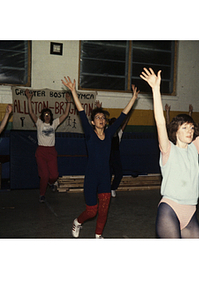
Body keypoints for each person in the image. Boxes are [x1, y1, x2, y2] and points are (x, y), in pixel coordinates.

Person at [140, 67, 199, 238]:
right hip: (170, 209)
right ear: (175, 132)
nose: (190, 131)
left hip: (190, 212)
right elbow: (160, 122)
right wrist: (155, 89)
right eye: (185, 127)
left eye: (191, 127)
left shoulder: (195, 148)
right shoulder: (168, 149)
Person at [61, 76, 139, 239]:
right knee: (92, 211)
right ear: (92, 121)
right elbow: (81, 111)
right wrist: (73, 91)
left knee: (103, 211)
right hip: (91, 177)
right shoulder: (89, 134)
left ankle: (98, 236)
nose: (101, 120)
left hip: (104, 177)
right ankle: (77, 222)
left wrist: (133, 98)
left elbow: (123, 116)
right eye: (98, 117)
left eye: (103, 118)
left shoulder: (110, 133)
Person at [25, 89, 71, 202]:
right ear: (42, 116)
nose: (47, 116)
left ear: (51, 116)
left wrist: (68, 102)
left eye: (49, 115)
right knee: (44, 175)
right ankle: (42, 194)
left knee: (54, 175)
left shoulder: (54, 124)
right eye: (45, 115)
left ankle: (51, 183)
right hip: (41, 152)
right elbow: (31, 113)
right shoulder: (39, 124)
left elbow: (65, 114)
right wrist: (29, 99)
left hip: (51, 152)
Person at [109, 112, 131, 197]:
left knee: (119, 173)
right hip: (108, 156)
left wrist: (128, 115)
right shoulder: (107, 133)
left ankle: (113, 188)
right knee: (108, 174)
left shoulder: (119, 133)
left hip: (116, 155)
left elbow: (124, 123)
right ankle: (106, 189)